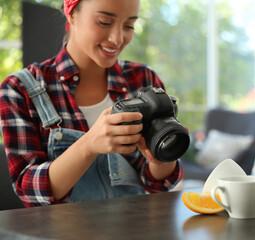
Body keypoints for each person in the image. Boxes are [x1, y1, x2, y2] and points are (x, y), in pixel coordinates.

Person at [0, 0, 183, 207]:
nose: (117, 39)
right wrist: (89, 145)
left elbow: (158, 184)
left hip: (133, 228)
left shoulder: (144, 80)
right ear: (72, 14)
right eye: (104, 21)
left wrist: (160, 159)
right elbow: (29, 191)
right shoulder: (19, 89)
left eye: (129, 25)